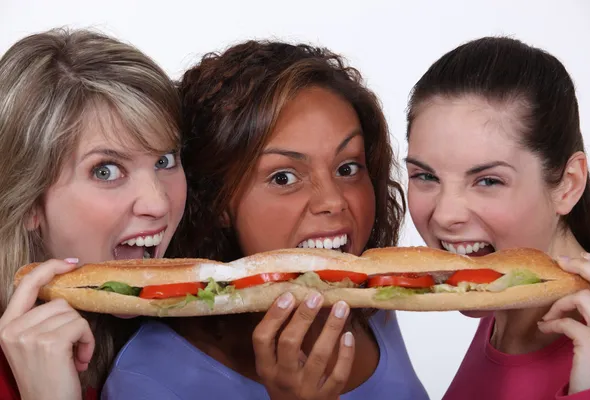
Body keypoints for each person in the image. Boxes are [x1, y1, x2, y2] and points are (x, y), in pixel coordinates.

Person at [101, 40, 429, 400]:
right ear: (219, 202)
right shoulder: (148, 380)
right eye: (284, 178)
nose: (334, 201)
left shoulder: (370, 308)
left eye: (347, 168)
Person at [404, 36, 590, 399]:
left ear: (568, 185)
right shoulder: (503, 295)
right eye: (426, 176)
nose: (445, 215)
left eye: (488, 180)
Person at [0, 28, 187, 400]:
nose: (159, 204)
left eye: (165, 161)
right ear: (28, 203)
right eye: (106, 170)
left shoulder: (180, 341)